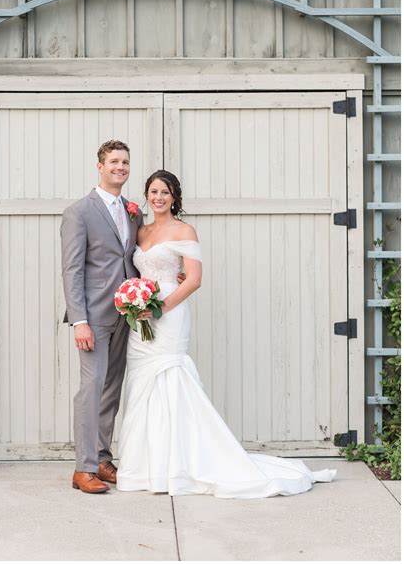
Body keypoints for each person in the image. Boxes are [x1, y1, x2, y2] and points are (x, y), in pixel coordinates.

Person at [116, 170, 338, 498]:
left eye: (165, 192)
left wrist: (160, 307)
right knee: (141, 386)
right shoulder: (140, 230)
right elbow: (136, 268)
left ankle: (181, 466)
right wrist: (135, 299)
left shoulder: (185, 230)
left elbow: (193, 279)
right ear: (146, 195)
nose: (158, 197)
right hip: (141, 316)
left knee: (171, 381)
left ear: (174, 197)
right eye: (153, 191)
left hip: (169, 314)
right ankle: (146, 467)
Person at [60, 140, 184, 494]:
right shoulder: (79, 212)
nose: (120, 167)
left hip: (127, 315)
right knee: (91, 388)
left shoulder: (133, 212)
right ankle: (82, 469)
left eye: (125, 162)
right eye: (114, 161)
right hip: (93, 316)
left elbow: (139, 257)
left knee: (111, 389)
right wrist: (78, 320)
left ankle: (101, 457)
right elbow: (71, 270)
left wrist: (173, 274)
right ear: (99, 166)